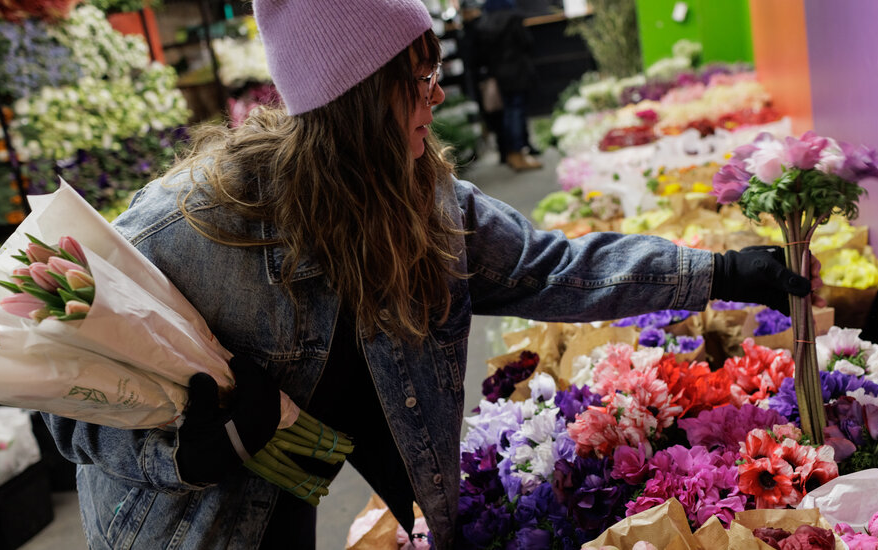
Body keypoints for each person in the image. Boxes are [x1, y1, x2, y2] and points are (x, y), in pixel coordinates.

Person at [42, 0, 821, 548]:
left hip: (292, 501)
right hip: (184, 528)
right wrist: (183, 453)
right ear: (354, 101)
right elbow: (57, 395)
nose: (438, 95)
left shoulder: (421, 204)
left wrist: (722, 272)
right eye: (416, 80)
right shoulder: (185, 229)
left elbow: (550, 267)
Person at [468, 0, 543, 171]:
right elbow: (527, 43)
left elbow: (481, 55)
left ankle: (512, 153)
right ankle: (518, 154)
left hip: (499, 74)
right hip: (518, 71)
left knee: (509, 113)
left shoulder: (483, 22)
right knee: (517, 112)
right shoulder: (513, 18)